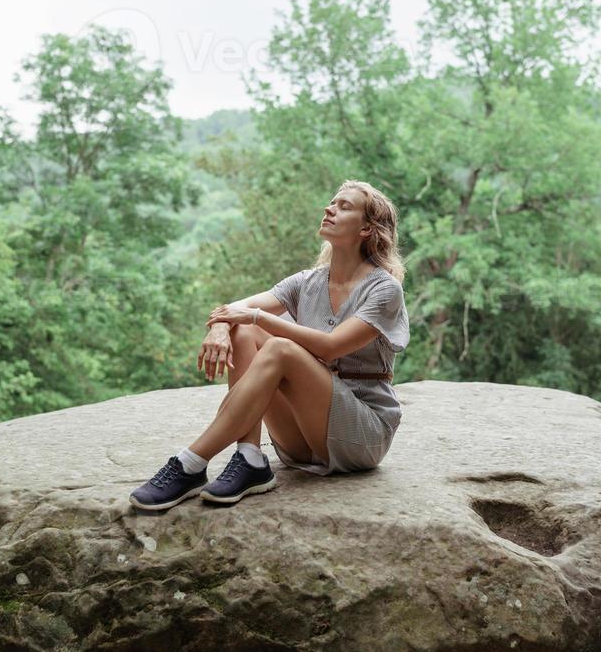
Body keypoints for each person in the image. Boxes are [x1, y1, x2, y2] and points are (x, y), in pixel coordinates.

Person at [129, 179, 410, 510]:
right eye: (331, 202)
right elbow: (238, 310)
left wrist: (257, 317)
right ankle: (250, 457)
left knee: (277, 345)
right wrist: (221, 325)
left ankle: (190, 462)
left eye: (344, 206)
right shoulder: (307, 281)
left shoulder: (384, 289)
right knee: (244, 333)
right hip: (302, 438)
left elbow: (331, 347)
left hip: (361, 435)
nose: (329, 208)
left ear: (366, 229)